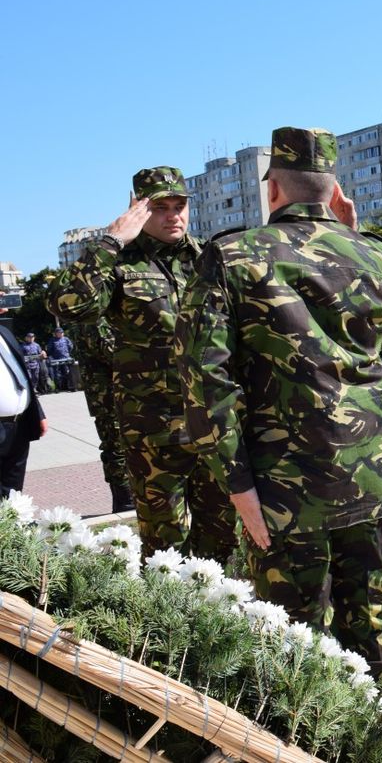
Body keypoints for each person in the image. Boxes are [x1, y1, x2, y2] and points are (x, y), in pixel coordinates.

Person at [176, 126, 382, 696]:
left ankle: (311, 744)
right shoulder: (379, 256)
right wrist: (353, 236)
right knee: (374, 613)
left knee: (293, 637)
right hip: (369, 476)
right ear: (335, 190)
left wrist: (237, 489)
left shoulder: (232, 255)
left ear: (273, 191)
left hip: (282, 489)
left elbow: (204, 380)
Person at [48, 166, 235, 561]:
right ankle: (171, 622)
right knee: (165, 546)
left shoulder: (210, 259)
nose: (173, 215)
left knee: (223, 536)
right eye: (160, 207)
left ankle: (218, 622)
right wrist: (111, 240)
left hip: (215, 423)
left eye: (179, 205)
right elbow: (67, 304)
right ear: (138, 210)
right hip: (153, 430)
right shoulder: (119, 263)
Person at [74, 318, 134, 512]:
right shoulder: (95, 318)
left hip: (116, 393)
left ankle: (127, 497)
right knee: (116, 446)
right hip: (107, 396)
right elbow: (111, 351)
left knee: (121, 445)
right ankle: (125, 499)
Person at [0, 314, 48, 498]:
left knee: (13, 492)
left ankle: (13, 525)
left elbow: (21, 375)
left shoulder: (4, 332)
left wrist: (39, 413)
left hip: (18, 425)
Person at [45, 327, 76, 392]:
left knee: (67, 373)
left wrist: (67, 354)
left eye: (61, 333)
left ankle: (70, 387)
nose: (60, 334)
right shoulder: (52, 340)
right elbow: (49, 349)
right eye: (58, 333)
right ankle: (58, 388)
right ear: (56, 333)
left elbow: (71, 347)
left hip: (66, 358)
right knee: (57, 374)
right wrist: (53, 356)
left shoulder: (66, 339)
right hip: (56, 360)